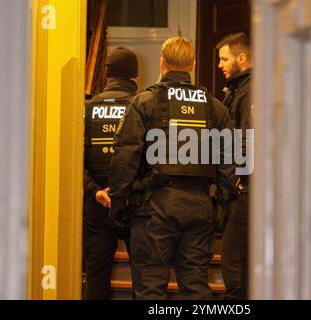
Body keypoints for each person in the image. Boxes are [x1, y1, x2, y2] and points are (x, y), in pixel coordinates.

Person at [108, 36, 237, 300]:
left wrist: (119, 203)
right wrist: (221, 208)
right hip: (200, 206)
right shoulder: (216, 108)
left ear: (162, 63)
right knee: (196, 288)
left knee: (150, 289)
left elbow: (125, 157)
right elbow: (232, 163)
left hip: (154, 208)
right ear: (192, 63)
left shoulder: (145, 102)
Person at [84, 47, 139, 300]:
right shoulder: (142, 105)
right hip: (134, 203)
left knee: (96, 275)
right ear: (134, 76)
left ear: (107, 75)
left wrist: (95, 191)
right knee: (143, 274)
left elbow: (76, 161)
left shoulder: (87, 108)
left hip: (96, 206)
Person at [216, 32, 253, 300]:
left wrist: (238, 178)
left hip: (248, 189)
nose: (220, 65)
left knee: (233, 260)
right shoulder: (241, 89)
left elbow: (250, 137)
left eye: (224, 59)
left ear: (242, 57)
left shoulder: (250, 90)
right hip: (247, 188)